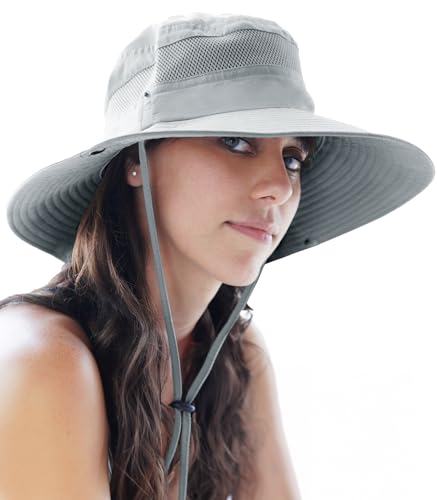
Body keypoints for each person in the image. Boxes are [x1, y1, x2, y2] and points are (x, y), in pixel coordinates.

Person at [0, 11, 434, 500]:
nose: (279, 187)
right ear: (136, 161)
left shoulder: (234, 355)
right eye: (236, 141)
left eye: (293, 159)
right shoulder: (45, 362)